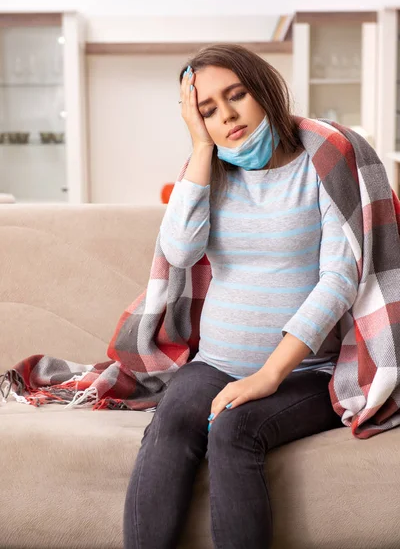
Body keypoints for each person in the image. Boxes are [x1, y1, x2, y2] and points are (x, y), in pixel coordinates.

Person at [123, 43, 358, 549]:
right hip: (216, 362)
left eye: (237, 96)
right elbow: (180, 253)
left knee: (232, 429)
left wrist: (268, 374)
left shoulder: (323, 156)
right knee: (172, 421)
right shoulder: (207, 170)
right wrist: (202, 148)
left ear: (264, 89)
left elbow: (340, 278)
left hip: (304, 372)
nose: (227, 116)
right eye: (208, 110)